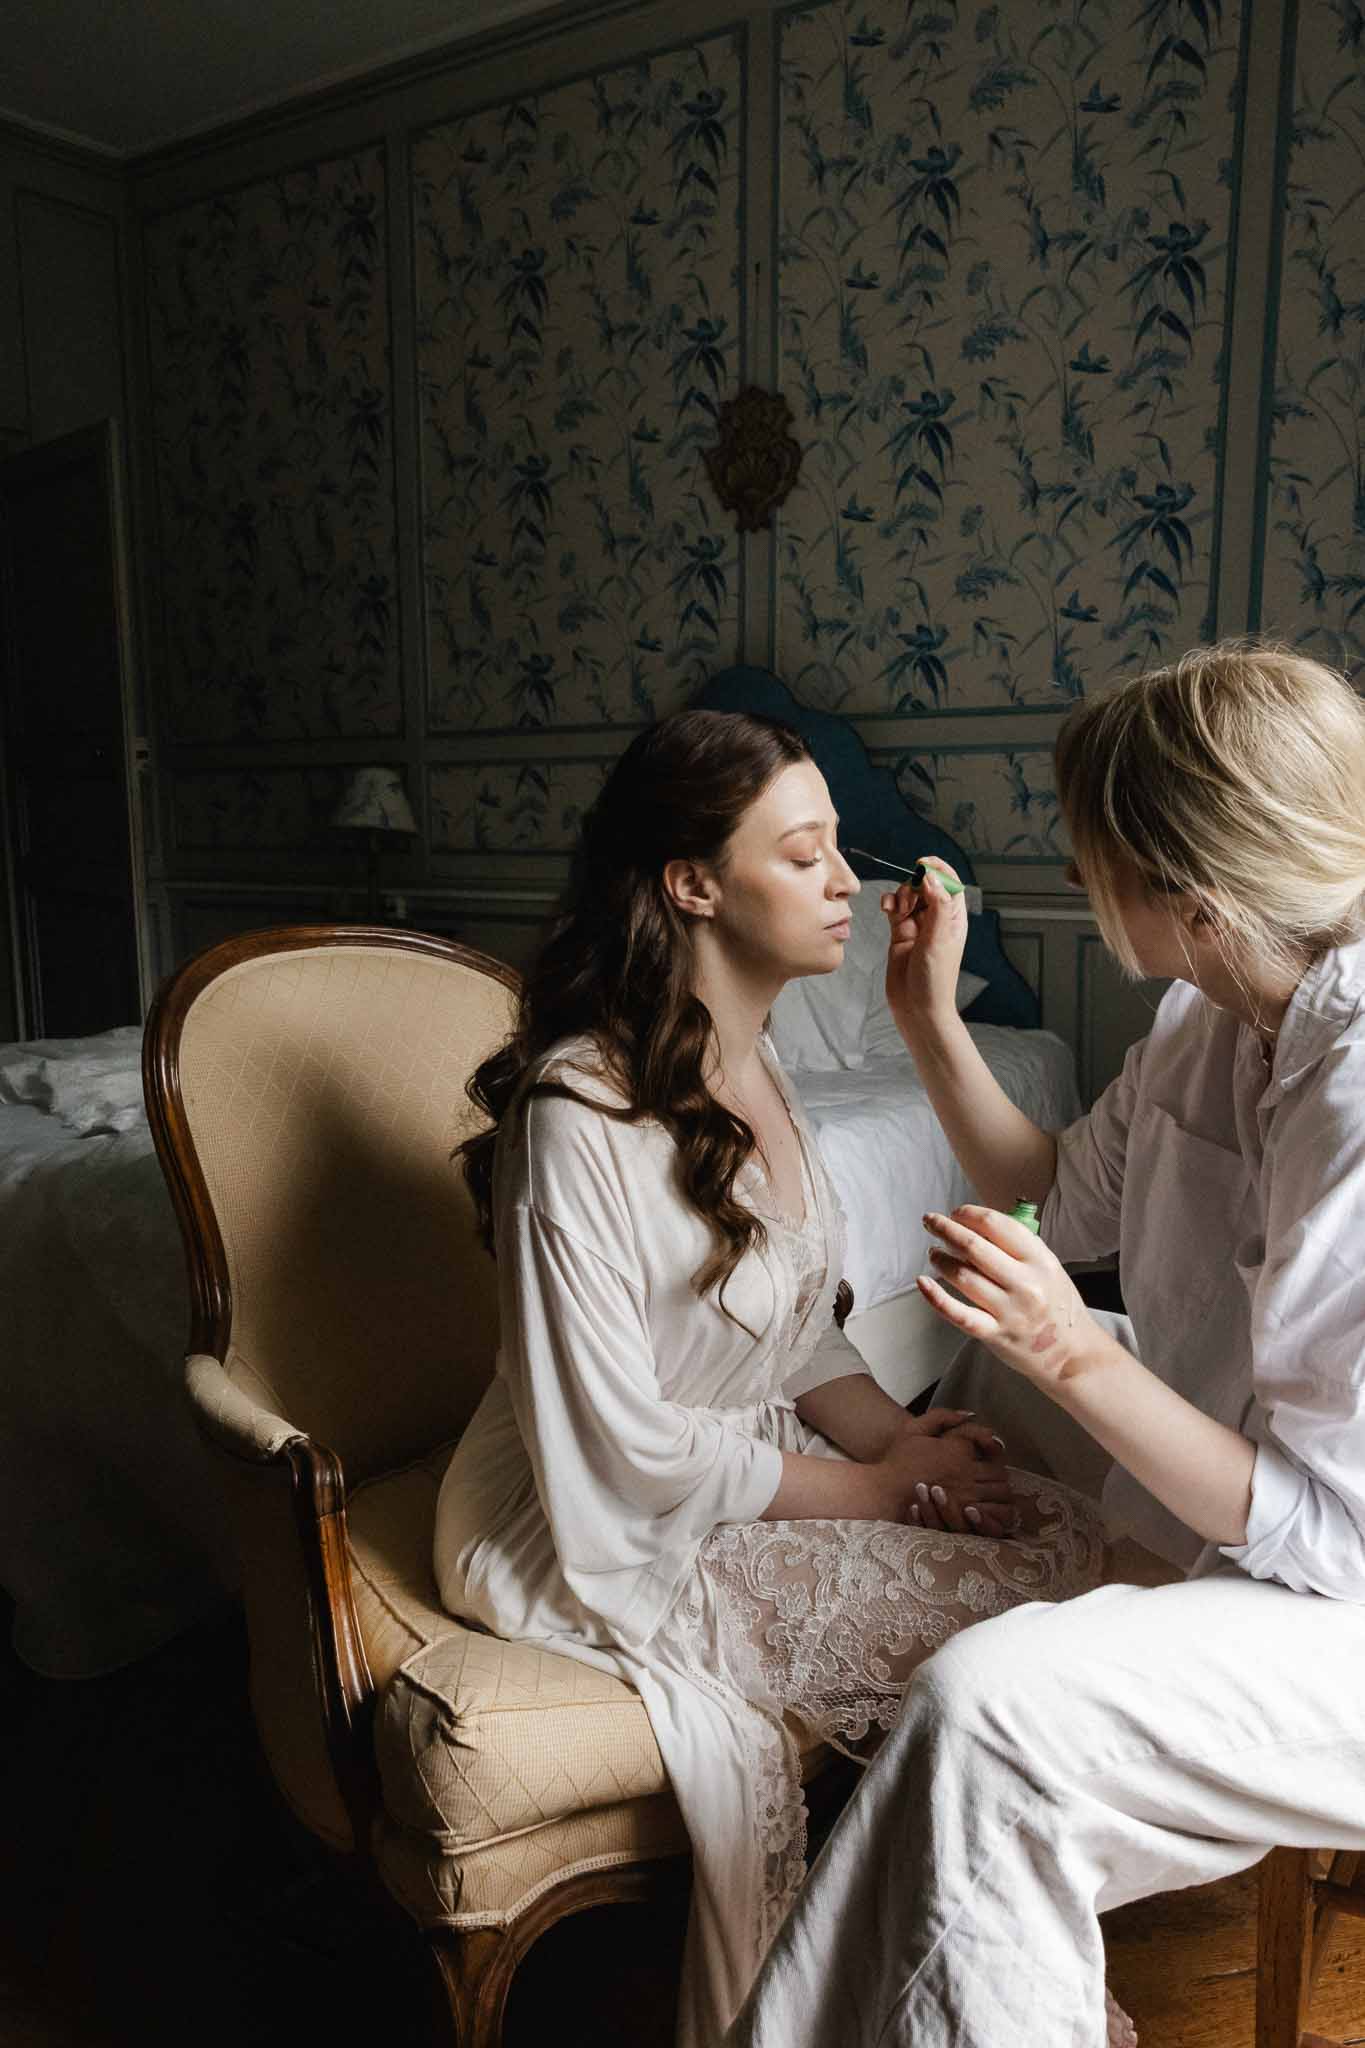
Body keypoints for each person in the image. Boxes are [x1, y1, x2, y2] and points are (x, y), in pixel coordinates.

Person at [433, 708, 1106, 2047]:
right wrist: (881, 1488)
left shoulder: (762, 1069)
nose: (847, 881)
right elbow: (619, 1448)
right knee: (1013, 1634)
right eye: (803, 856)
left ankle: (943, 1982)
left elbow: (796, 1332)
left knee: (1057, 1535)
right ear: (693, 884)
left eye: (837, 850)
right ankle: (900, 2001)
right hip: (586, 1520)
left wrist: (903, 1444)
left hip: (729, 1468)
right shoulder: (576, 1116)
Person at [728, 641, 1365, 2048]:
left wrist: (1075, 1353)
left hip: (1347, 1588)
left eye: (1093, 851)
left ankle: (976, 1789)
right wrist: (924, 1017)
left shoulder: (1359, 1092)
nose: (1074, 873)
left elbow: (1324, 1529)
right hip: (1280, 1485)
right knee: (962, 1381)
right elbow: (1058, 1197)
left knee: (987, 1709)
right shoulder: (1209, 1015)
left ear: (1184, 888)